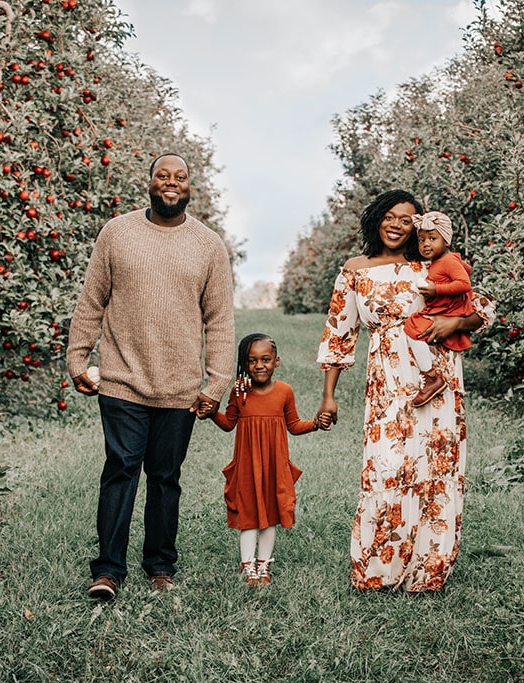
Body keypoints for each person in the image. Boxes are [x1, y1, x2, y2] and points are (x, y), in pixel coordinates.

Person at [66, 152, 234, 600]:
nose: (171, 183)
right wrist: (77, 359)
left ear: (190, 187)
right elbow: (91, 301)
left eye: (180, 177)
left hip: (180, 387)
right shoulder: (117, 233)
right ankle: (107, 571)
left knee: (166, 478)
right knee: (120, 470)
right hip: (122, 377)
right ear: (150, 182)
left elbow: (219, 321)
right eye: (163, 175)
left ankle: (160, 566)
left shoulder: (208, 245)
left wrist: (216, 384)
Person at [316, 190, 494, 593]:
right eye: (391, 216)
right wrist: (329, 395)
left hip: (440, 373)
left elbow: (482, 307)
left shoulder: (430, 266)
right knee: (388, 466)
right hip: (389, 380)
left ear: (419, 227)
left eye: (407, 220)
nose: (397, 225)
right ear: (377, 218)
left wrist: (455, 325)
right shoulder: (355, 270)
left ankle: (428, 573)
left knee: (436, 469)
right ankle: (380, 570)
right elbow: (339, 335)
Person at [210, 333, 329, 586]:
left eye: (266, 359)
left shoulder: (285, 391)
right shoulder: (239, 392)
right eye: (252, 361)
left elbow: (294, 425)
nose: (259, 365)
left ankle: (263, 566)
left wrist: (316, 424)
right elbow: (228, 424)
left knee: (271, 515)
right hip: (246, 466)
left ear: (277, 361)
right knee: (248, 515)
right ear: (245, 364)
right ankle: (247, 567)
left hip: (274, 466)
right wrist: (211, 413)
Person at [402, 210, 475, 407]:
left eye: (432, 238)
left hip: (448, 310)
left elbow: (464, 284)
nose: (426, 244)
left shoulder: (449, 260)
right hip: (441, 307)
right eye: (421, 239)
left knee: (412, 328)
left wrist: (437, 290)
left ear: (446, 240)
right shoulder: (439, 261)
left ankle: (431, 376)